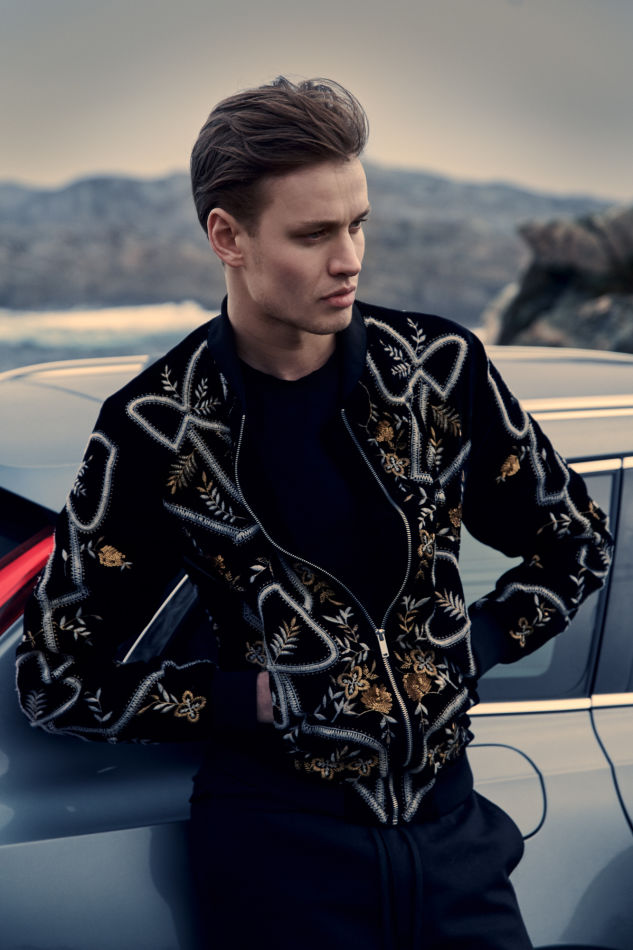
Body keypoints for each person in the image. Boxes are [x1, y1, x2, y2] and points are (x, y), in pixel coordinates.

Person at [16, 77, 613, 949]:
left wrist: (474, 645)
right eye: (313, 234)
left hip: (455, 849)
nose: (349, 260)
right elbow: (57, 678)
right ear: (228, 236)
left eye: (357, 224)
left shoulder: (439, 369)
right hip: (276, 864)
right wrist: (248, 699)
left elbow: (575, 542)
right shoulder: (155, 428)